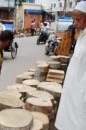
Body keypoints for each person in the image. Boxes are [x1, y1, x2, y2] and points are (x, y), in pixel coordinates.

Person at [55, 1, 86, 130]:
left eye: (78, 20)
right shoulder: (82, 35)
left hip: (81, 93)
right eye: (73, 19)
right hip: (72, 90)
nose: (75, 23)